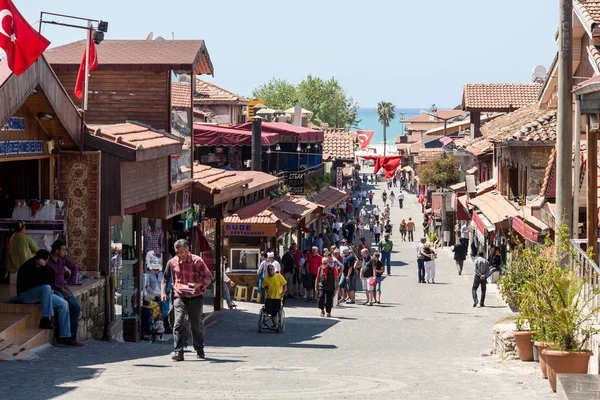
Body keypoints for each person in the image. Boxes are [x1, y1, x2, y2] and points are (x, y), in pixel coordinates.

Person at [161, 239, 213, 361]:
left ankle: (199, 349)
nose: (180, 255)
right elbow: (165, 279)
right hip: (179, 295)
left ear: (187, 250)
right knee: (178, 322)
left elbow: (209, 277)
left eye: (182, 252)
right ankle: (178, 351)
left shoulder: (197, 261)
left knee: (196, 324)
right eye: (177, 252)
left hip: (195, 296)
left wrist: (198, 284)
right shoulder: (172, 262)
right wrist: (163, 292)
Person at [17, 249, 79, 346]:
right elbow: (33, 284)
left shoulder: (46, 268)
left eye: (46, 261)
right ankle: (46, 318)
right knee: (45, 288)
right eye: (44, 260)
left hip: (42, 294)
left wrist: (44, 267)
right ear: (37, 259)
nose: (46, 262)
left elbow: (49, 281)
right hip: (26, 295)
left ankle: (64, 337)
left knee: (63, 304)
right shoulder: (27, 267)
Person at [46, 240, 82, 343]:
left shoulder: (63, 258)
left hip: (64, 287)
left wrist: (71, 281)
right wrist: (61, 289)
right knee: (63, 304)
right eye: (63, 249)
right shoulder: (48, 262)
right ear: (57, 250)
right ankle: (63, 336)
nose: (64, 252)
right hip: (54, 288)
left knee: (75, 307)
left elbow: (74, 267)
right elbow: (49, 281)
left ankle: (72, 337)